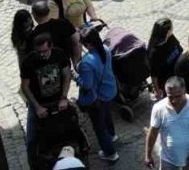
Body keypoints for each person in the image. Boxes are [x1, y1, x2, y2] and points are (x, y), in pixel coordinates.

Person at [20, 33, 74, 159]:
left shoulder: (59, 54)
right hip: (39, 104)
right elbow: (25, 87)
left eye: (45, 51)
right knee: (31, 141)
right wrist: (37, 107)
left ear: (51, 46)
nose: (42, 55)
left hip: (58, 101)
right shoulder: (28, 62)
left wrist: (64, 97)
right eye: (39, 52)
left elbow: (67, 76)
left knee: (72, 126)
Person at [77, 26, 121, 161]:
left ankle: (110, 154)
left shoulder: (86, 62)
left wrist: (77, 78)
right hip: (110, 90)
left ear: (88, 44)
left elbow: (88, 84)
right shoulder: (106, 50)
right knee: (107, 114)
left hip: (97, 97)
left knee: (99, 127)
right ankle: (112, 135)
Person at [145, 76, 189, 170]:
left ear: (184, 90)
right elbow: (153, 132)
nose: (174, 100)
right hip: (167, 161)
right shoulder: (159, 108)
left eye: (178, 96)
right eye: (170, 97)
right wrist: (148, 155)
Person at [149, 19, 185, 100]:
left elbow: (180, 51)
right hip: (167, 84)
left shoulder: (171, 38)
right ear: (167, 31)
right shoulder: (155, 52)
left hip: (178, 77)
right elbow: (154, 75)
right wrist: (157, 90)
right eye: (172, 28)